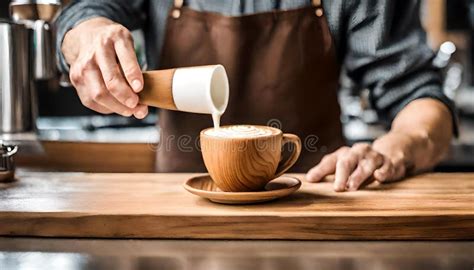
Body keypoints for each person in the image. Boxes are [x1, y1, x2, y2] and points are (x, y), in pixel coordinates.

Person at [56, 0, 456, 192]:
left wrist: (394, 149)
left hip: (317, 210)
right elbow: (81, 14)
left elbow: (420, 98)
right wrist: (87, 35)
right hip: (181, 217)